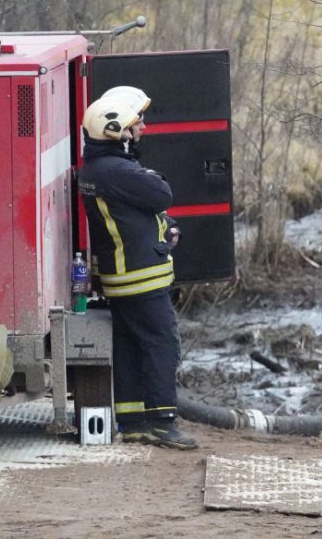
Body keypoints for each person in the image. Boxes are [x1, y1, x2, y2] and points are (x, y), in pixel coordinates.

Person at [76, 88, 196, 450]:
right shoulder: (116, 170)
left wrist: (164, 226)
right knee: (161, 345)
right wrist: (147, 173)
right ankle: (161, 420)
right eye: (132, 125)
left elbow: (138, 210)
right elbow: (161, 194)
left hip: (123, 277)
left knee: (129, 346)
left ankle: (132, 421)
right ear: (114, 132)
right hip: (140, 277)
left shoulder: (100, 169)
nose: (139, 129)